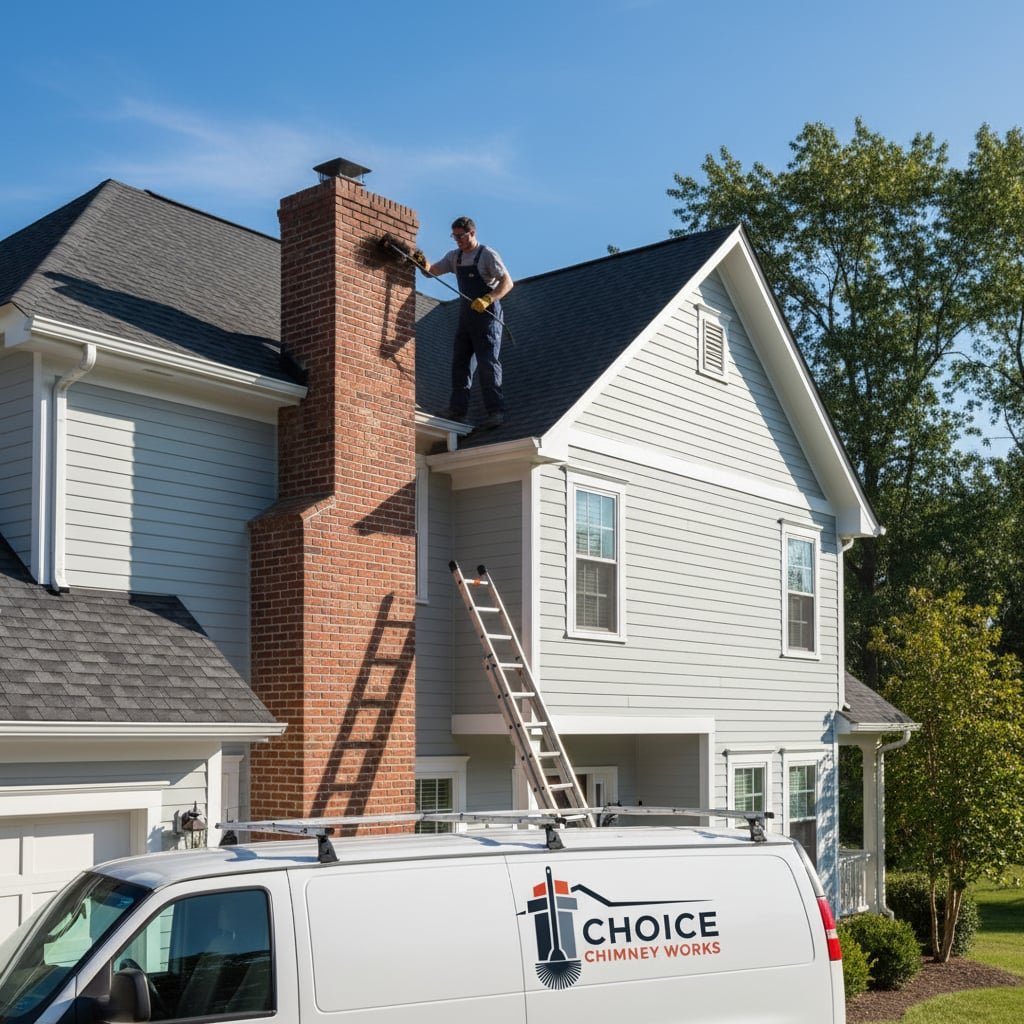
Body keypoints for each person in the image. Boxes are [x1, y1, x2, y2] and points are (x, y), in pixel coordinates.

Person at [413, 217, 513, 428]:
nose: (458, 240)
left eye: (461, 236)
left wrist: (488, 299)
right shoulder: (454, 257)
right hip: (466, 316)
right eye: (455, 236)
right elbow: (432, 272)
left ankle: (496, 411)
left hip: (487, 316)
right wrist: (422, 263)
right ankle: (457, 411)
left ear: (472, 233)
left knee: (487, 363)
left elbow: (507, 282)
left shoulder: (487, 255)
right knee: (461, 364)